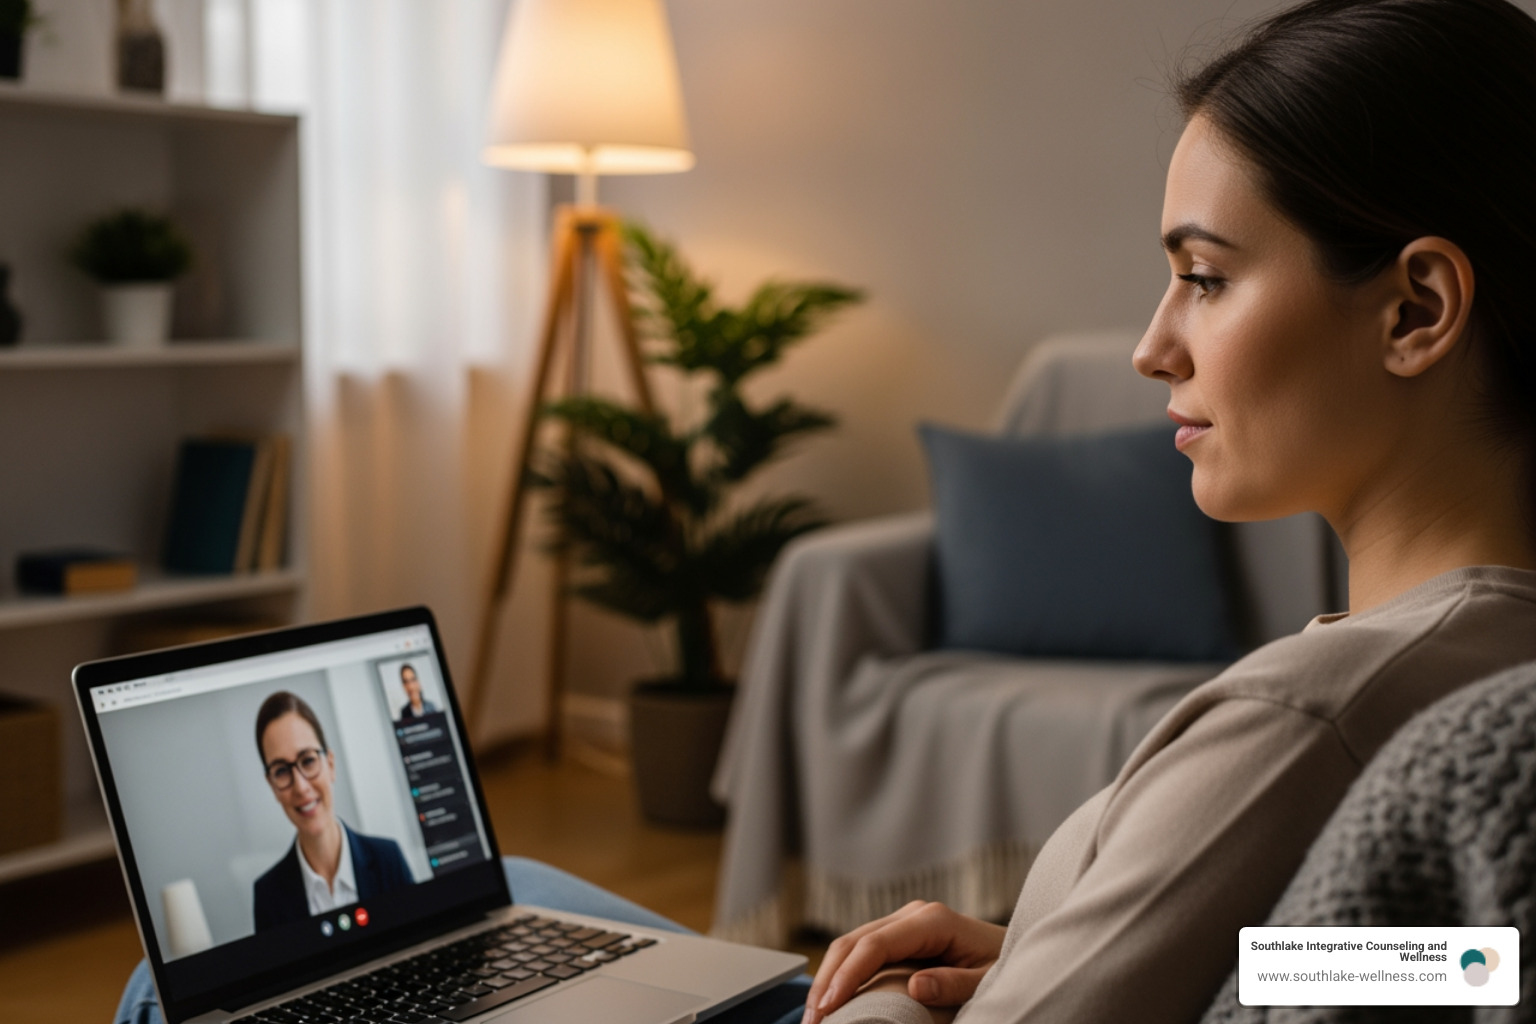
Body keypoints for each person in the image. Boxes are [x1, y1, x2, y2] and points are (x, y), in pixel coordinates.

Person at [801, 1, 1536, 1022]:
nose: (1153, 346)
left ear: (1416, 311)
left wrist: (894, 1006)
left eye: (1204, 277)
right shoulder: (1495, 675)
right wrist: (1065, 956)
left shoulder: (1309, 714)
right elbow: (1471, 966)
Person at [252, 691, 415, 932]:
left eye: (307, 761)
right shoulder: (268, 896)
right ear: (272, 786)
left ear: (330, 764)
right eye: (282, 771)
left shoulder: (388, 860)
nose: (301, 786)